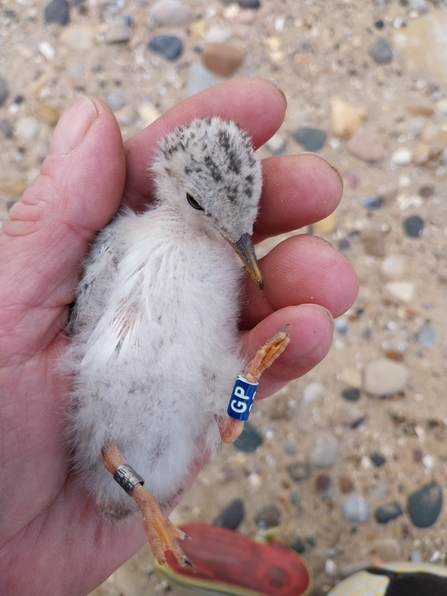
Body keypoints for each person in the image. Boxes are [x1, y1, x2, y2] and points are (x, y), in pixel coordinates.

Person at [0, 78, 358, 596]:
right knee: (118, 441)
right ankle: (143, 496)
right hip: (120, 398)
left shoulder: (221, 258)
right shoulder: (129, 238)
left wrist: (247, 375)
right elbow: (88, 336)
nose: (242, 249)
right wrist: (144, 500)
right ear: (172, 185)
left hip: (180, 390)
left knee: (228, 418)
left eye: (245, 222)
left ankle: (242, 387)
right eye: (202, 205)